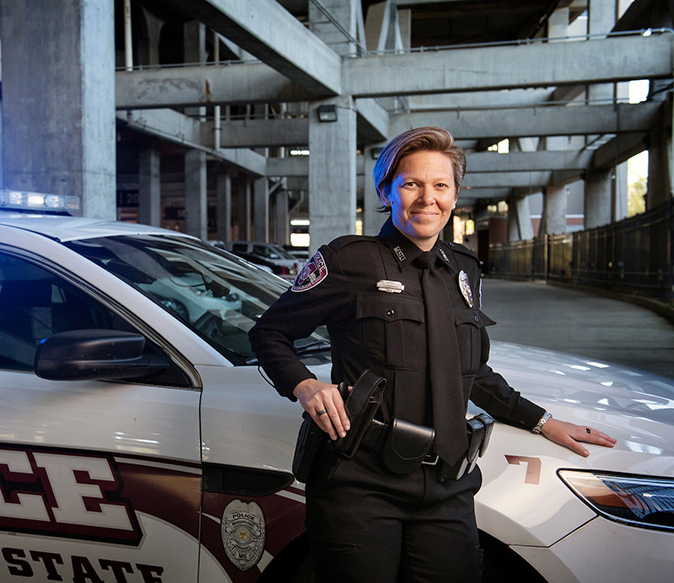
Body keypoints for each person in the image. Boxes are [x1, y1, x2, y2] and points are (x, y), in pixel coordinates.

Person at [248, 126, 616, 583]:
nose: (428, 198)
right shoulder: (349, 260)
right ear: (387, 190)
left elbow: (471, 371)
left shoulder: (463, 270)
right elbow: (269, 334)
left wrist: (544, 421)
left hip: (448, 485)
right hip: (360, 484)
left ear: (455, 195)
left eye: (440, 185)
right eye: (411, 184)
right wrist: (305, 385)